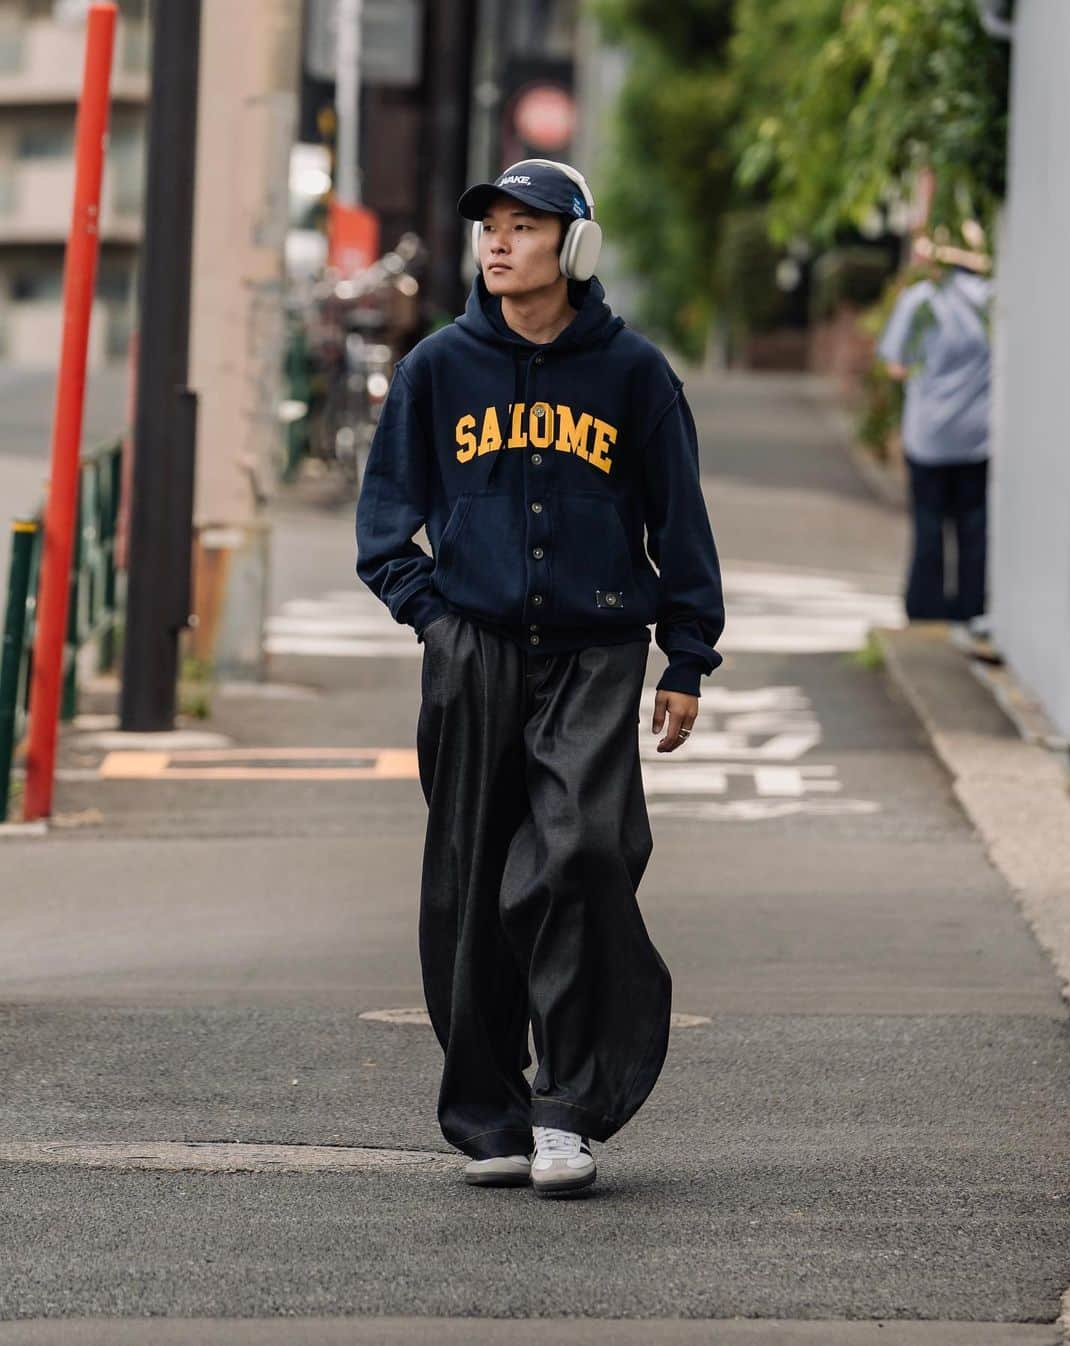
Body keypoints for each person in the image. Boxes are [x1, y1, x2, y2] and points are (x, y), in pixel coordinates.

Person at [354, 159, 725, 1197]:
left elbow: (680, 525)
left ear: (578, 247)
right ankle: (491, 1115)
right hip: (472, 650)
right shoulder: (438, 369)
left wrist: (687, 654)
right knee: (473, 882)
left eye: (527, 226)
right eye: (492, 227)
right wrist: (432, 618)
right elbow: (385, 522)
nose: (500, 243)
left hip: (599, 650)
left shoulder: (635, 376)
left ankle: (568, 1105)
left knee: (584, 856)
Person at [877, 238, 993, 625]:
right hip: (979, 435)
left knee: (928, 524)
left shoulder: (920, 300)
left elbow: (895, 363)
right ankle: (971, 609)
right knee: (973, 527)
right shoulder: (993, 301)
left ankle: (926, 610)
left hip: (928, 434)